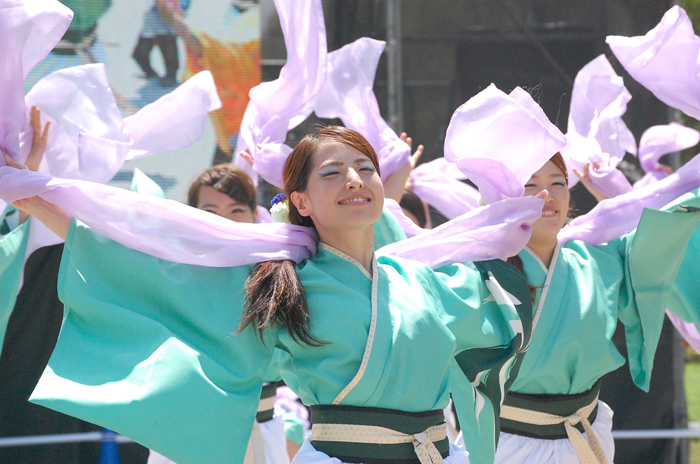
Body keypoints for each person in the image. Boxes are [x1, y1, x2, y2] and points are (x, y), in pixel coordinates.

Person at [5, 126, 538, 464]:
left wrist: (525, 207)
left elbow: (504, 316)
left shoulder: (420, 275)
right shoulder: (283, 283)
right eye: (333, 173)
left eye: (366, 169)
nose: (355, 179)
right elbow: (136, 252)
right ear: (301, 200)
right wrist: (28, 189)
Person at [450, 153, 700, 464]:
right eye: (530, 185)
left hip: (584, 435)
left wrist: (689, 191)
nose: (548, 195)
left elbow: (657, 244)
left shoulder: (599, 260)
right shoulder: (479, 273)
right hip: (506, 445)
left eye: (558, 183)